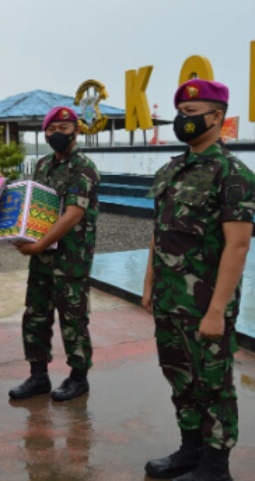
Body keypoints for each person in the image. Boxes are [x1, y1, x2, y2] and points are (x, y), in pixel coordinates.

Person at [142, 79, 255, 481]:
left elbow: (237, 247)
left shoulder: (233, 173)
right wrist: (149, 283)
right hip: (170, 301)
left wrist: (217, 311)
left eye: (192, 114)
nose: (183, 121)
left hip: (205, 304)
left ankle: (215, 467)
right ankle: (190, 450)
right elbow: (160, 231)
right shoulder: (172, 169)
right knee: (178, 376)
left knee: (213, 385)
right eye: (181, 114)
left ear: (217, 117)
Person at [8, 106, 100, 402]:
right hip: (42, 258)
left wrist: (37, 245)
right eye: (51, 129)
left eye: (63, 128)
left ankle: (79, 378)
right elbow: (33, 206)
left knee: (73, 319)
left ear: (75, 130)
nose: (57, 133)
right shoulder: (43, 165)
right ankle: (38, 376)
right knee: (36, 314)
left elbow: (72, 215)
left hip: (70, 258)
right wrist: (17, 231)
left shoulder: (83, 167)